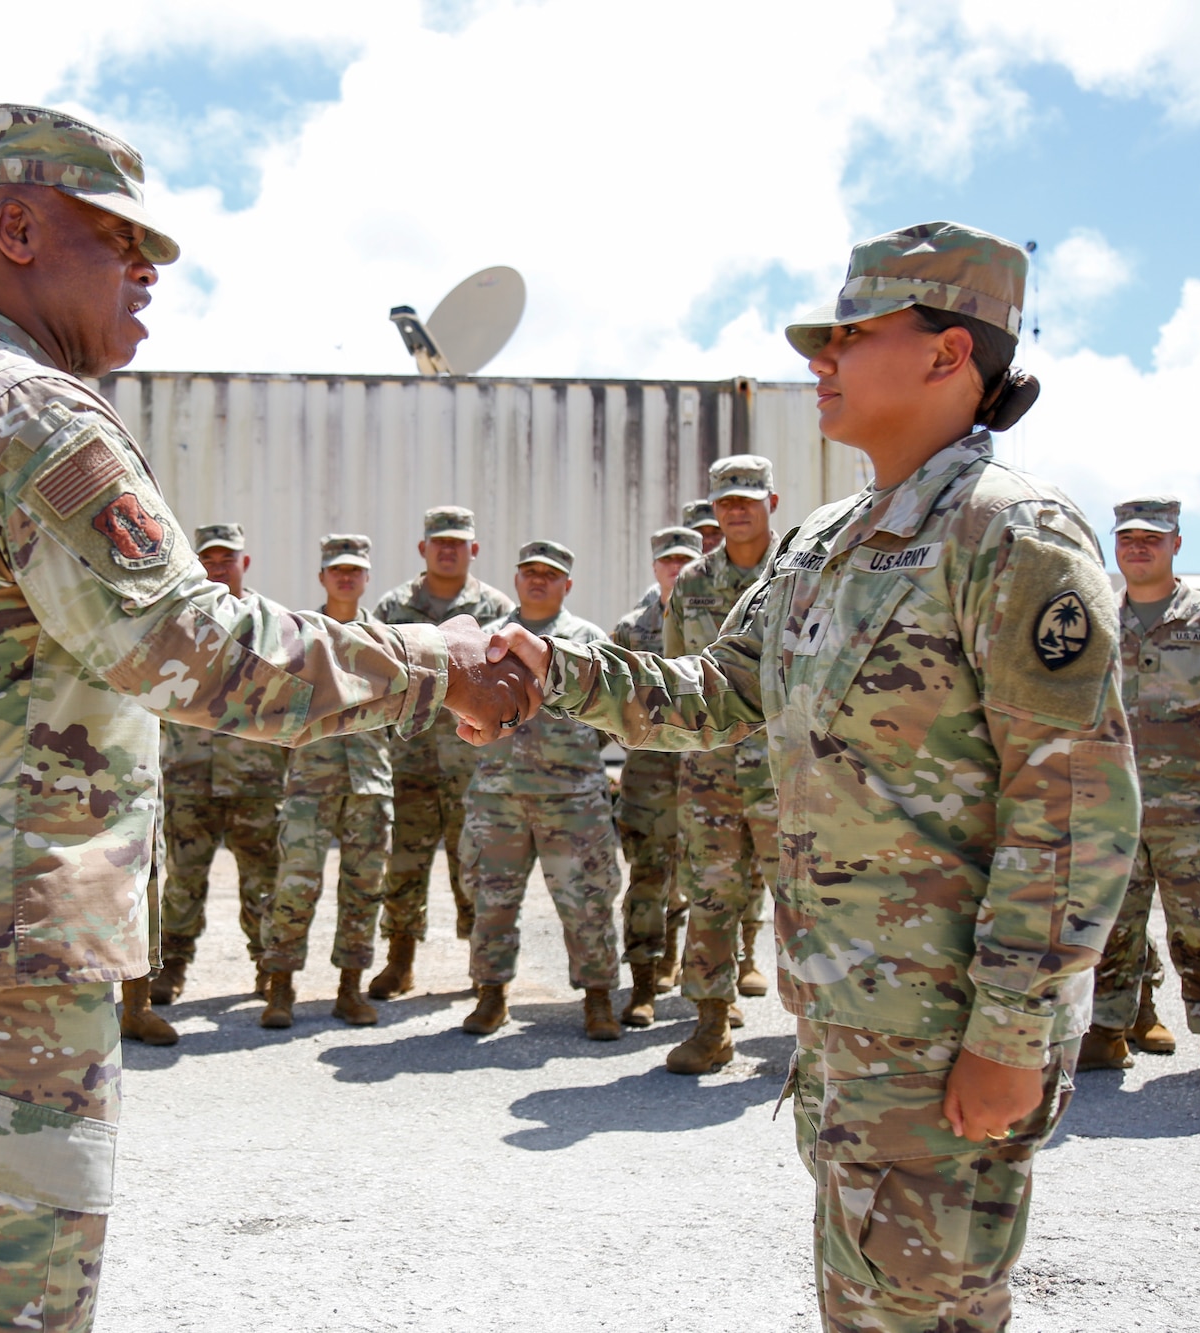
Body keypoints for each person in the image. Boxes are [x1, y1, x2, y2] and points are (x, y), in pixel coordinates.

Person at [0, 104, 533, 1333]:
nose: (147, 273)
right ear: (15, 227)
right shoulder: (28, 413)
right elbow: (198, 652)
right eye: (118, 240)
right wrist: (434, 659)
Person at [484, 222, 1137, 1331]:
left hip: (945, 1030)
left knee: (926, 1307)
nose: (816, 361)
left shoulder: (1009, 536)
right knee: (862, 1299)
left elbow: (1071, 809)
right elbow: (708, 695)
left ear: (945, 356)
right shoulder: (821, 543)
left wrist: (1009, 1036)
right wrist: (556, 667)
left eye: (848, 336)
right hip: (843, 1019)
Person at [1079, 497, 1200, 1095]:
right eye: (1129, 537)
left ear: (1177, 544)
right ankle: (1108, 1032)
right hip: (1113, 808)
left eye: (1153, 538)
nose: (1139, 547)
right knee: (1111, 925)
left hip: (1195, 811)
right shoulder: (1096, 623)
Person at [460, 539, 624, 1041]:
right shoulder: (488, 640)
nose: (538, 580)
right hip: (499, 795)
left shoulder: (588, 638)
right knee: (492, 898)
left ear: (567, 585)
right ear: (515, 579)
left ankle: (598, 998)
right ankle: (491, 994)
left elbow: (610, 713)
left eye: (549, 574)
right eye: (529, 571)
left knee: (588, 900)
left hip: (571, 799)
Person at [662, 455, 782, 1074]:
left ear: (772, 503)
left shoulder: (800, 576)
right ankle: (711, 1025)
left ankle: (824, 1037)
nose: (736, 509)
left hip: (788, 773)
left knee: (805, 900)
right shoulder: (691, 585)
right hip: (710, 772)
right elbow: (682, 674)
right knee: (709, 893)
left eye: (748, 498)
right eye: (726, 501)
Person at [368, 505, 518, 1000]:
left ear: (473, 550)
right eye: (440, 542)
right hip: (410, 759)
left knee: (474, 864)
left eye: (458, 542)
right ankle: (401, 960)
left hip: (472, 764)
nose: (448, 549)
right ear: (423, 548)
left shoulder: (495, 609)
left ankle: (483, 970)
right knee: (406, 863)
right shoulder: (393, 607)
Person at [259, 535, 395, 1029]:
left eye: (354, 570)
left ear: (366, 578)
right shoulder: (298, 634)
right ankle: (280, 989)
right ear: (321, 577)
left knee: (364, 888)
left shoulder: (385, 639)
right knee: (296, 884)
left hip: (370, 782)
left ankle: (350, 989)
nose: (345, 577)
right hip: (310, 781)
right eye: (336, 570)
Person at [152, 522, 289, 1009]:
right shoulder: (176, 627)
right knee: (183, 881)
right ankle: (171, 968)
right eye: (208, 559)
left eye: (226, 558)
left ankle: (269, 969)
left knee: (264, 884)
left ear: (244, 562)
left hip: (257, 781)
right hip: (190, 779)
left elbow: (291, 698)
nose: (217, 567)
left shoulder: (268, 622)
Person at [610, 525, 700, 1025]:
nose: (676, 569)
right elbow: (604, 705)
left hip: (705, 779)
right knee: (647, 881)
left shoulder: (720, 623)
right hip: (648, 781)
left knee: (702, 882)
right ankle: (642, 985)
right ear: (655, 568)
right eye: (669, 561)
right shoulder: (631, 630)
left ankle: (697, 984)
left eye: (686, 560)